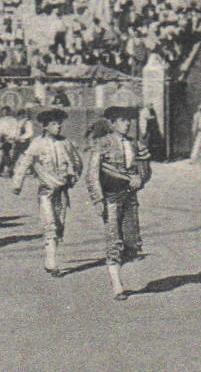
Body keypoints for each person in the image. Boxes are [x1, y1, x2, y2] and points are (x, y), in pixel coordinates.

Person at [85, 102, 151, 300]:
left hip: (130, 197)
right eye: (122, 121)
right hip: (111, 197)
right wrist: (97, 199)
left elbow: (145, 169)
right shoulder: (102, 144)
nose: (127, 124)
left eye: (129, 120)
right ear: (112, 124)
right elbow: (92, 174)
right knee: (114, 240)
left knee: (132, 242)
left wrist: (141, 179)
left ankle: (117, 275)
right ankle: (117, 284)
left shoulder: (135, 144)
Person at [12, 108, 84, 276]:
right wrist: (17, 183)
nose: (58, 126)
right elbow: (25, 162)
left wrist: (74, 176)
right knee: (50, 224)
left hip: (62, 191)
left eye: (59, 123)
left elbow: (77, 161)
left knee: (59, 225)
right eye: (53, 123)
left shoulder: (65, 142)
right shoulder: (37, 143)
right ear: (45, 126)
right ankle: (52, 262)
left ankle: (49, 260)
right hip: (46, 190)